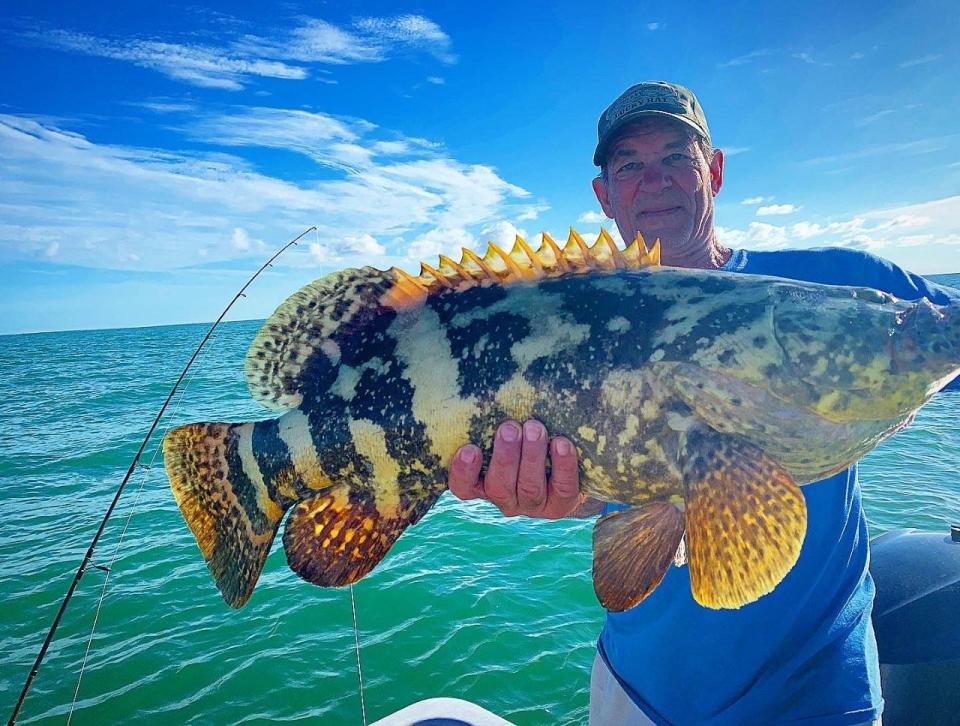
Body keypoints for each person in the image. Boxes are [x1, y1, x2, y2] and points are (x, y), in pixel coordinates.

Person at [446, 81, 959, 725]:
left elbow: (949, 332)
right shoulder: (575, 308)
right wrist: (552, 493)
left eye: (676, 158)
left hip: (824, 696)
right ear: (603, 195)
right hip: (636, 690)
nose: (653, 180)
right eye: (628, 165)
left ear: (713, 171)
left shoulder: (841, 282)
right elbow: (603, 494)